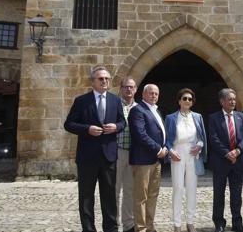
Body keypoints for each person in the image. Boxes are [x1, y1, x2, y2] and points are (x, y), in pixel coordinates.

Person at [64, 66, 125, 232]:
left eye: (107, 78)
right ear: (93, 81)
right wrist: (87, 129)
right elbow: (69, 124)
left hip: (109, 156)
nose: (104, 81)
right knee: (86, 197)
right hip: (87, 157)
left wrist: (116, 127)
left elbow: (122, 122)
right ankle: (88, 229)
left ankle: (111, 229)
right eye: (101, 78)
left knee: (109, 196)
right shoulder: (81, 101)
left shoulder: (115, 100)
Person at [164, 88, 208, 232]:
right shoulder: (171, 118)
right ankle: (177, 224)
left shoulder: (198, 116)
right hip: (177, 152)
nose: (187, 101)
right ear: (179, 101)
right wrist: (170, 152)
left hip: (193, 154)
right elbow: (166, 140)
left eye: (190, 99)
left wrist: (200, 146)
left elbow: (202, 137)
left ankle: (190, 222)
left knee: (192, 188)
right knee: (177, 188)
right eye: (184, 98)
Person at [208, 88, 243, 232]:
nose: (233, 101)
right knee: (219, 194)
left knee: (237, 194)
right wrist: (227, 153)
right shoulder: (213, 118)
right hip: (221, 161)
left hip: (238, 161)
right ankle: (219, 223)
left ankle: (237, 222)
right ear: (222, 101)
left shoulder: (241, 116)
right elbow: (213, 139)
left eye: (234, 99)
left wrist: (238, 151)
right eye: (229, 99)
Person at [129, 84, 168, 232]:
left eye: (156, 94)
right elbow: (140, 134)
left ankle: (150, 226)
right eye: (151, 93)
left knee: (152, 195)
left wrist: (165, 148)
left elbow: (161, 133)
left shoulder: (156, 110)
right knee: (141, 197)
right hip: (143, 160)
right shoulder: (137, 110)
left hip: (156, 161)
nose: (153, 96)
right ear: (143, 94)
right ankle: (140, 228)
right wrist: (158, 149)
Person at [116, 77, 139, 232]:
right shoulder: (114, 105)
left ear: (135, 89)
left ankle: (128, 224)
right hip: (116, 151)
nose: (128, 90)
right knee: (114, 189)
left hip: (134, 153)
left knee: (130, 190)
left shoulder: (139, 107)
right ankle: (113, 223)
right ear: (121, 89)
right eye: (126, 87)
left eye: (131, 87)